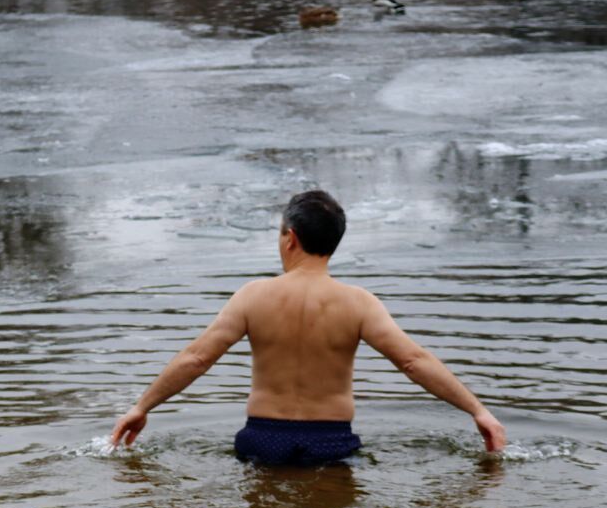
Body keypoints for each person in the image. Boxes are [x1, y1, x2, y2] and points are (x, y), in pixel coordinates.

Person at [110, 189, 506, 462]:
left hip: (262, 439)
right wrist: (478, 411)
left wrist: (142, 406)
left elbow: (196, 358)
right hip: (331, 440)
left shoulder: (252, 296)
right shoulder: (359, 303)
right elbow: (413, 362)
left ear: (290, 238)